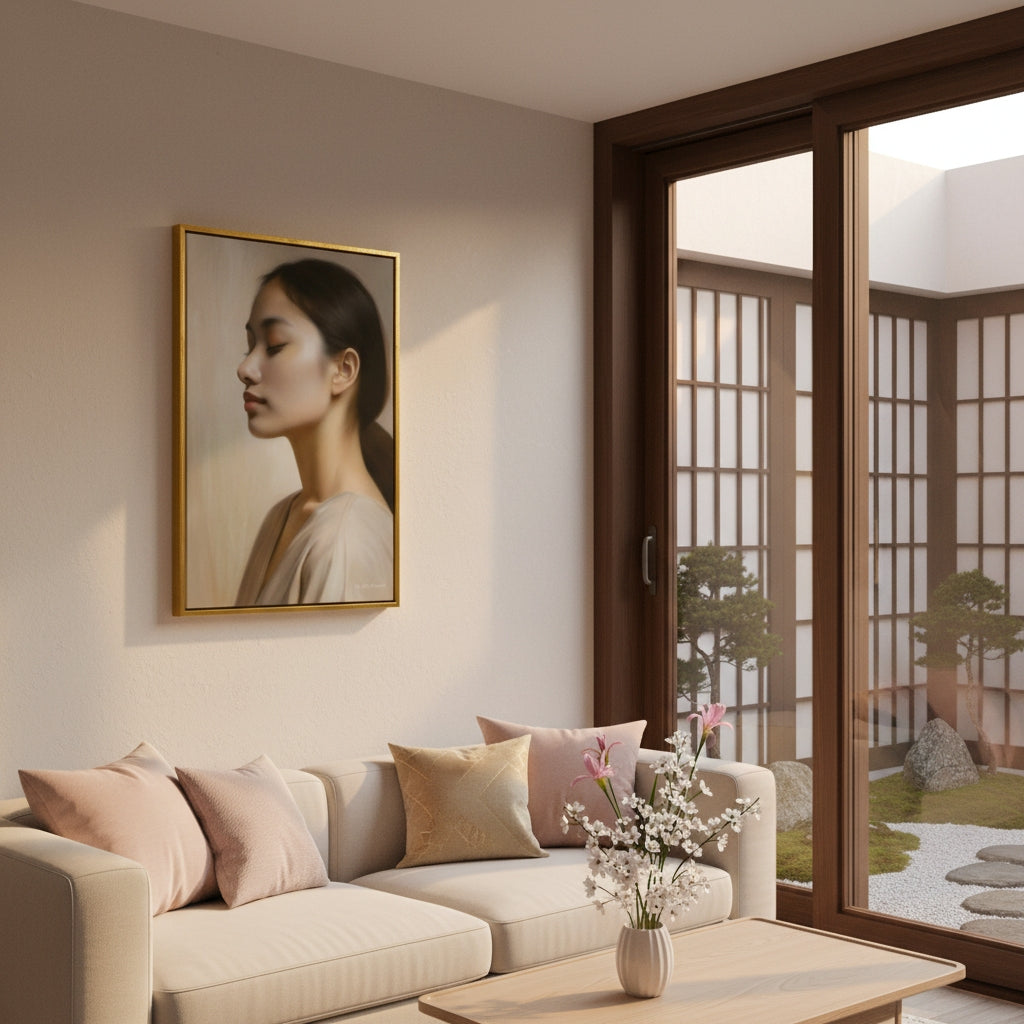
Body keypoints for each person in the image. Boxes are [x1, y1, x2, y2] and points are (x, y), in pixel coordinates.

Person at [234, 258, 394, 606]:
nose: (245, 368)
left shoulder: (346, 540)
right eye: (250, 346)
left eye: (274, 346)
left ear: (344, 369)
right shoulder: (282, 516)